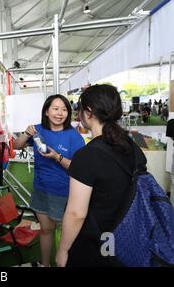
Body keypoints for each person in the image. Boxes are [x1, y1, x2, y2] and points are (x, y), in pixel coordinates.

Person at [56, 84, 147, 267]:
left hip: (95, 244)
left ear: (88, 112)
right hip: (128, 237)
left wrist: (63, 250)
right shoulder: (132, 146)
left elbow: (76, 213)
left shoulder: (87, 155)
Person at [13, 94, 85, 267]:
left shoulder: (73, 137)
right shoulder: (38, 130)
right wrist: (26, 133)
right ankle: (45, 264)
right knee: (46, 230)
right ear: (46, 111)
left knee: (67, 234)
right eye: (55, 108)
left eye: (64, 109)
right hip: (40, 189)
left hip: (63, 193)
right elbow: (16, 145)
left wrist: (56, 156)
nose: (60, 113)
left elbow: (79, 168)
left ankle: (64, 260)